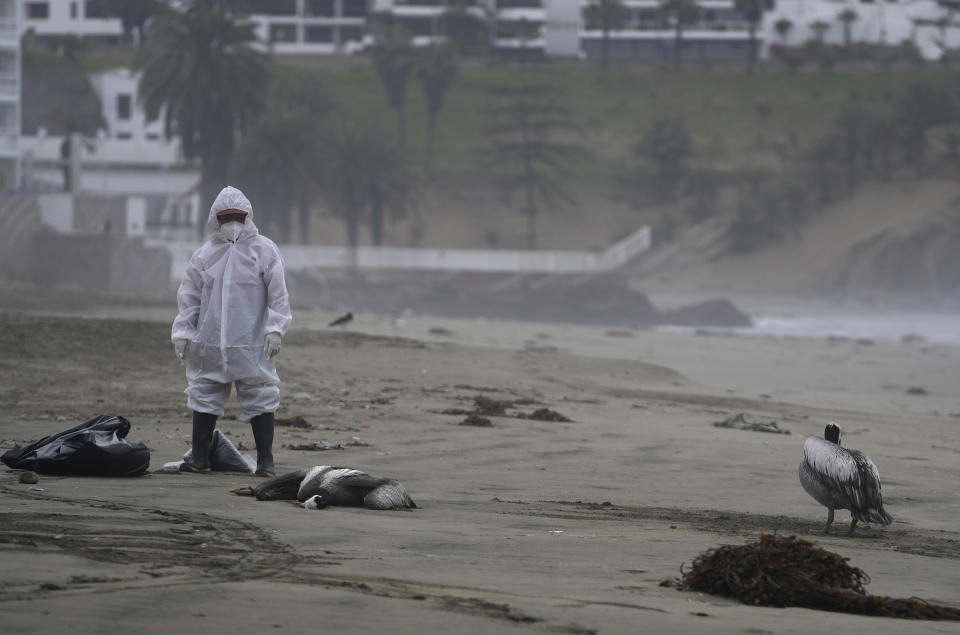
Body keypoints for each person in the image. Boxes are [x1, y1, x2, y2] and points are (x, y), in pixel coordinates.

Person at [171, 185, 292, 477]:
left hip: (250, 343)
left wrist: (275, 329)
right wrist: (183, 333)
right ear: (216, 219)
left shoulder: (264, 250)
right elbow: (190, 298)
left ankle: (266, 462)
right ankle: (199, 457)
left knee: (261, 393)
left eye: (238, 216)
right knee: (205, 393)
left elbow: (278, 295)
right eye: (227, 218)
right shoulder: (205, 255)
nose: (233, 223)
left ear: (247, 216)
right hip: (210, 342)